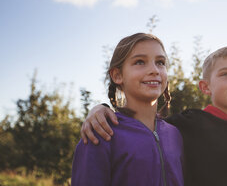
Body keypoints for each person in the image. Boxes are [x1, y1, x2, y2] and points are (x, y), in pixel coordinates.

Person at [81, 44, 227, 186]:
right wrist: (100, 108)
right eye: (225, 74)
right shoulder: (185, 126)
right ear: (205, 86)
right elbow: (146, 129)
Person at [71, 33, 184, 186]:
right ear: (117, 75)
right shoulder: (101, 132)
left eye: (160, 62)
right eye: (140, 62)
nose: (154, 70)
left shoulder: (175, 134)